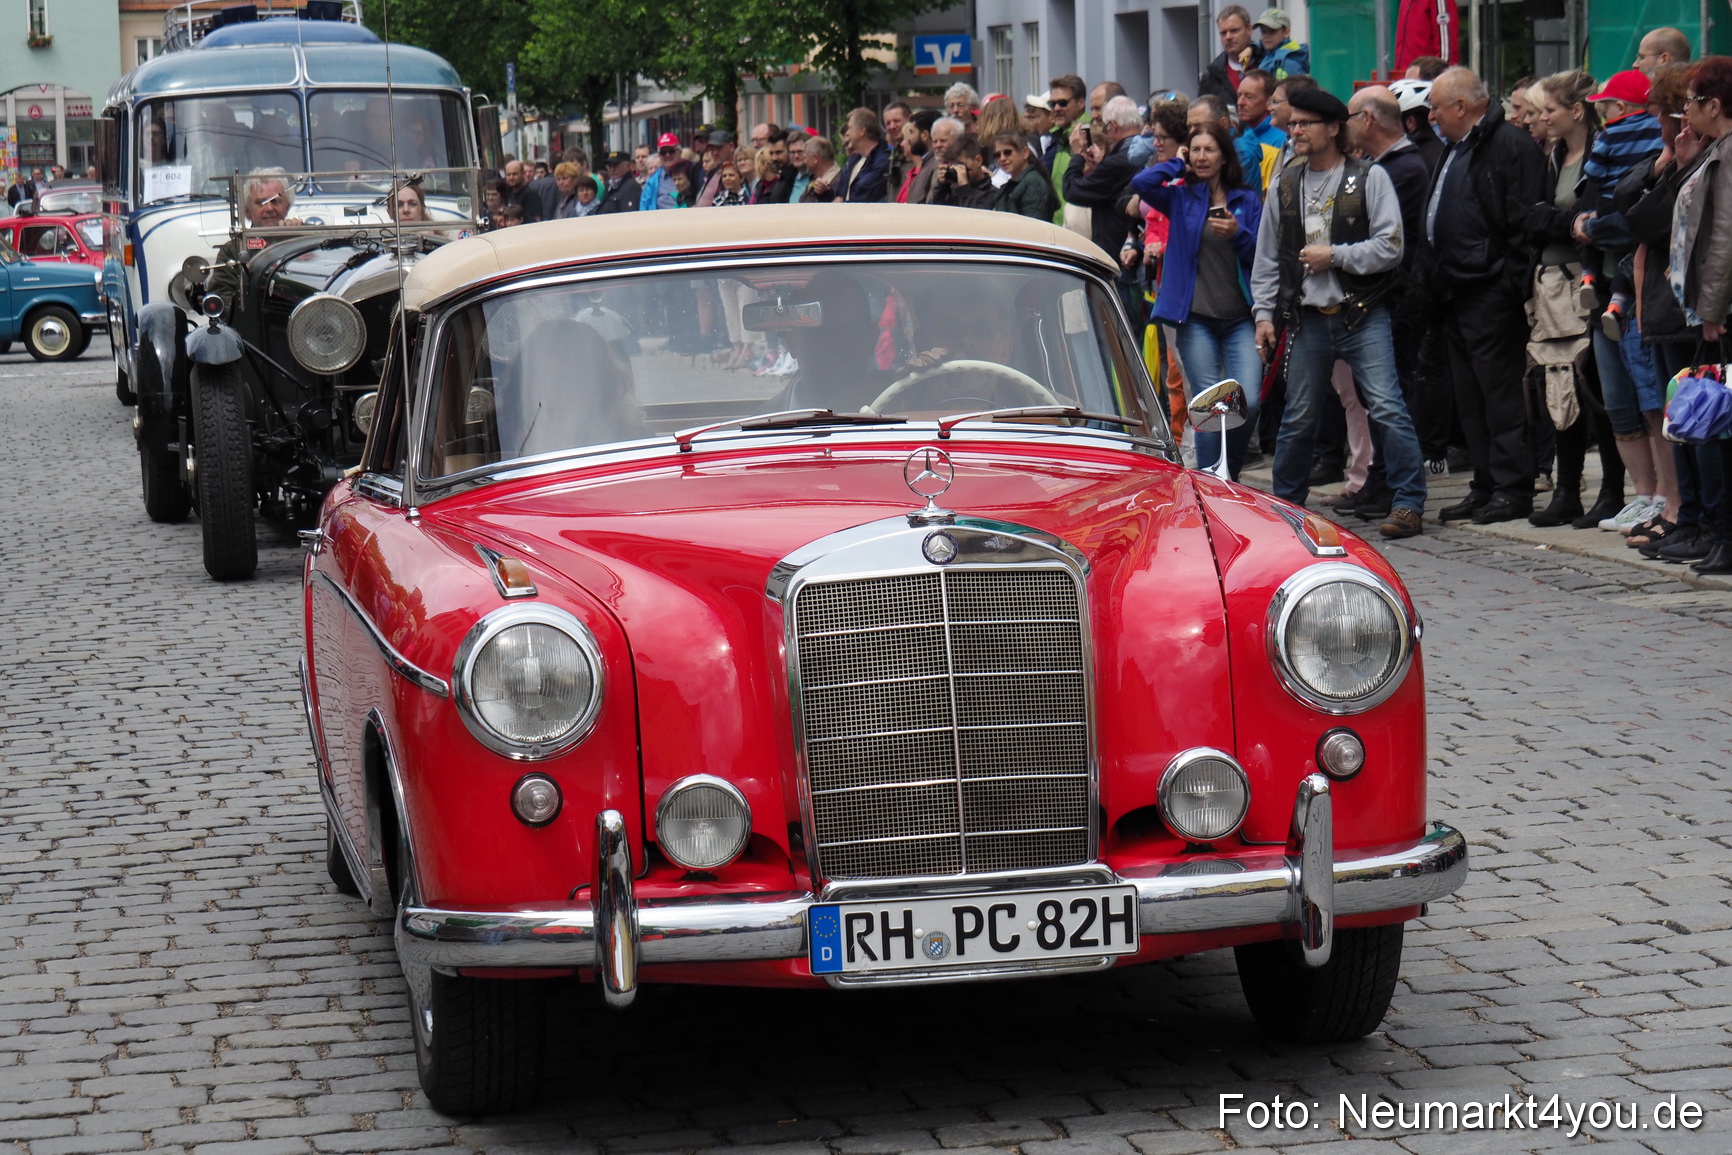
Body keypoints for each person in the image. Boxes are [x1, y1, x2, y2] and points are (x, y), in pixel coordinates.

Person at [1250, 87, 1428, 538]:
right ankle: (1285, 507)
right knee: (1299, 415)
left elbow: (1391, 246)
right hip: (1306, 316)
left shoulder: (1369, 178)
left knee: (1387, 406)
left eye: (1305, 123)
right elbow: (1268, 255)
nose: (1295, 131)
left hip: (1362, 312)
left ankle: (1408, 502)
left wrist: (1337, 256)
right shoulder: (1286, 183)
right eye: (1292, 123)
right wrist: (1264, 314)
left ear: (1333, 128)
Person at [1423, 67, 1545, 524]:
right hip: (1454, 290)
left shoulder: (1507, 144)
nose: (1431, 114)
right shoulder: (1456, 147)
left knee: (1500, 396)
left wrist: (1507, 282)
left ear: (1461, 106)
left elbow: (1521, 219)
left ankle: (1513, 487)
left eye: (1436, 106)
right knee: (1470, 399)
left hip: (1489, 291)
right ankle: (1485, 483)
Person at [1132, 123, 1263, 478]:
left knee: (1248, 398)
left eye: (1209, 150)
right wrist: (1178, 164)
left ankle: (1228, 474)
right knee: (1208, 405)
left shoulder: (1246, 199)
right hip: (1196, 318)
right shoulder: (1180, 197)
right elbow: (1141, 185)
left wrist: (1239, 233)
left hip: (1240, 317)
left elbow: (1261, 254)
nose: (1202, 157)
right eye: (1196, 150)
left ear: (1224, 157)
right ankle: (1208, 480)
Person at [1577, 69, 1673, 537]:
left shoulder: (1638, 145)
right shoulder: (1611, 146)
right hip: (1607, 293)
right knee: (1619, 403)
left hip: (1640, 293)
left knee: (1652, 401)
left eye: (1609, 106)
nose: (1605, 116)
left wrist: (1591, 227)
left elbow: (1632, 219)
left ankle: (1665, 499)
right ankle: (1643, 495)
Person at [1675, 55, 1732, 571]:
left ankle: (1725, 534)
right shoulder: (1714, 149)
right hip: (1709, 305)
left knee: (1720, 422)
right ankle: (1720, 532)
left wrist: (1711, 308)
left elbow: (1725, 237)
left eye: (1692, 100)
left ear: (1715, 104)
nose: (1686, 110)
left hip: (1722, 310)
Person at [1064, 96, 1146, 318]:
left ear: (1114, 126)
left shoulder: (1119, 161)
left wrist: (1077, 156)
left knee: (1120, 330)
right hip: (1135, 250)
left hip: (1118, 256)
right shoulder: (1142, 153)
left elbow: (1073, 191)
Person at [207, 168, 303, 319]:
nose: (269, 208)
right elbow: (222, 301)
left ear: (287, 206)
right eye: (261, 203)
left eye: (275, 201)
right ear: (247, 211)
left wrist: (295, 239)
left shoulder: (306, 238)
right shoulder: (232, 250)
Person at [1235, 70, 1286, 191]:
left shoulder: (1282, 139)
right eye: (1239, 96)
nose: (1240, 103)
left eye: (1249, 97)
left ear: (1269, 103)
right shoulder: (1244, 135)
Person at [992, 131, 1058, 220]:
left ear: (1025, 152)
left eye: (1008, 152)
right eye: (997, 155)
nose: (1002, 158)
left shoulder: (1034, 183)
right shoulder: (1009, 186)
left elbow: (1033, 225)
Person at [1200, 5, 1261, 100]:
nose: (1228, 37)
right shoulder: (1211, 77)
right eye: (1223, 33)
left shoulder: (1267, 62)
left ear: (1249, 30)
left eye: (1234, 31)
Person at [838, 108, 892, 202]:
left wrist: (842, 204)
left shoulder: (882, 161)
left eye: (850, 128)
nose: (847, 133)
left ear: (862, 132)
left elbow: (863, 196)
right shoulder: (853, 160)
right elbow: (840, 192)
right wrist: (824, 193)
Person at [930, 135, 996, 210]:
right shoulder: (952, 188)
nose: (957, 169)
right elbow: (934, 212)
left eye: (960, 164)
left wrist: (964, 188)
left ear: (978, 160)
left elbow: (975, 217)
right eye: (953, 165)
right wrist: (942, 187)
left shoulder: (992, 193)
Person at [898, 110, 941, 205]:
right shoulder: (927, 164)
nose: (908, 139)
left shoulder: (935, 166)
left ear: (924, 135)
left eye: (911, 132)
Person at [1252, 9, 1309, 80]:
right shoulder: (1270, 52)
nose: (1266, 36)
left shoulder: (1289, 62)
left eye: (1272, 31)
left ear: (1286, 33)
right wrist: (1251, 48)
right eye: (1263, 32)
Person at [638, 133, 686, 210]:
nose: (667, 155)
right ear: (659, 155)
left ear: (679, 152)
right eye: (663, 152)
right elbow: (644, 208)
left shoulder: (692, 171)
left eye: (671, 151)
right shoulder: (652, 181)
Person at [801, 137, 844, 203]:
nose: (803, 162)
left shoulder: (841, 180)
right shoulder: (813, 180)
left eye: (804, 158)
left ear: (815, 159)